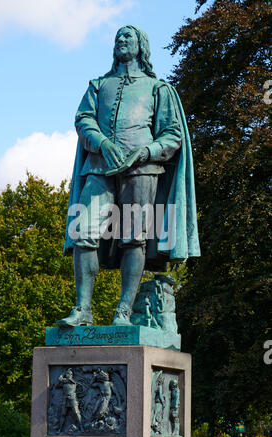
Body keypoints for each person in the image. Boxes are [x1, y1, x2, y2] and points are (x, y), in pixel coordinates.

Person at [57, 25, 200, 328]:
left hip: (143, 170)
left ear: (141, 46)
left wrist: (147, 152)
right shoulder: (98, 85)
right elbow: (83, 119)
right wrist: (102, 143)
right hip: (99, 168)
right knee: (84, 233)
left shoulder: (158, 89)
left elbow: (173, 134)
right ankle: (83, 309)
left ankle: (124, 310)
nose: (121, 41)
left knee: (133, 239)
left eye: (128, 37)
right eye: (118, 37)